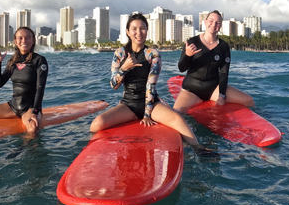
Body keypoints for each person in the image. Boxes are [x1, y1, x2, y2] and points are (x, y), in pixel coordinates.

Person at [90, 12, 212, 154]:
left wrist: (147, 114)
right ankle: (94, 152)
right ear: (127, 32)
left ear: (147, 31)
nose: (139, 32)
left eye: (142, 28)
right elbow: (114, 85)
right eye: (134, 29)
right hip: (129, 104)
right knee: (97, 124)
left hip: (152, 103)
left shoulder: (152, 53)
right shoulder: (120, 53)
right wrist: (124, 68)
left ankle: (200, 149)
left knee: (177, 119)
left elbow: (151, 85)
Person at [173, 10, 254, 113]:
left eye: (217, 22)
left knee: (249, 100)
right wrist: (187, 56)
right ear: (205, 22)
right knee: (177, 111)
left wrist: (221, 95)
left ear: (220, 26)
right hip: (192, 89)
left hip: (213, 88)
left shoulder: (223, 46)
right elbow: (181, 68)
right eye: (211, 21)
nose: (213, 24)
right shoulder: (193, 42)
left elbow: (224, 72)